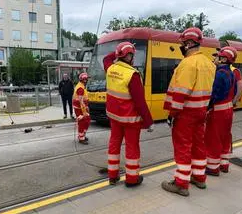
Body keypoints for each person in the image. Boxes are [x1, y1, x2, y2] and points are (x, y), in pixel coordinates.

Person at [161, 27, 216, 196]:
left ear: (190, 43)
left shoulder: (188, 63)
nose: (182, 46)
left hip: (185, 113)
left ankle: (181, 184)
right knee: (199, 144)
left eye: (183, 43)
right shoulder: (209, 63)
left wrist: (172, 114)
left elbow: (181, 93)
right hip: (201, 111)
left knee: (183, 146)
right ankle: (199, 177)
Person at [103, 42, 154, 188]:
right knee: (132, 147)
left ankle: (112, 176)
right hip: (130, 120)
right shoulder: (133, 75)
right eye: (132, 54)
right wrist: (149, 121)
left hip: (114, 118)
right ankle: (132, 179)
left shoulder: (110, 69)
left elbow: (106, 58)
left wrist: (119, 51)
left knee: (114, 144)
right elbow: (140, 102)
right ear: (130, 56)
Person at [206, 47, 238, 176]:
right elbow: (235, 91)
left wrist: (207, 107)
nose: (214, 59)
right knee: (225, 137)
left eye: (217, 57)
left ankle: (213, 168)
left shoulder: (220, 74)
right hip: (228, 110)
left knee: (213, 138)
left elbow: (215, 94)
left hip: (218, 111)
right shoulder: (232, 73)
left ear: (224, 59)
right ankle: (224, 164)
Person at [72, 72, 91, 145]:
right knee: (82, 122)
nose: (87, 80)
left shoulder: (81, 86)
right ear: (84, 80)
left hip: (81, 108)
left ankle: (83, 135)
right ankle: (81, 138)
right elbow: (81, 101)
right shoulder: (80, 88)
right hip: (80, 109)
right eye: (86, 79)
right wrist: (85, 111)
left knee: (87, 120)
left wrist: (87, 107)